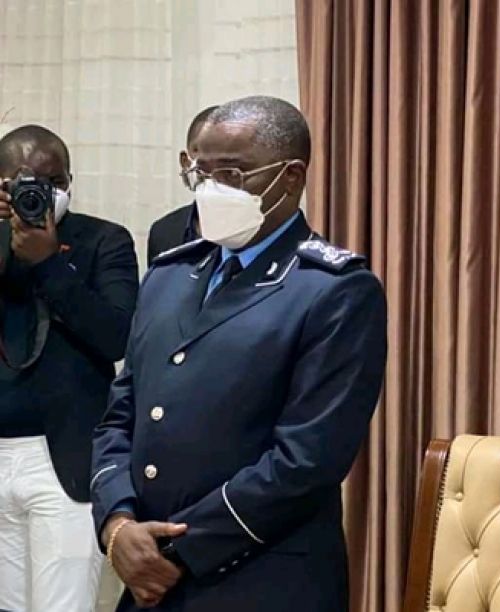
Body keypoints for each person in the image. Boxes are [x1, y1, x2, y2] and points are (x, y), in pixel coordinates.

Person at [91, 95, 387, 611]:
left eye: (230, 173)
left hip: (262, 579)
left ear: (290, 177)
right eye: (199, 172)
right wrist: (117, 524)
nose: (209, 189)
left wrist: (175, 550)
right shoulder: (167, 277)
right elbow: (121, 416)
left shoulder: (334, 289)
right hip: (147, 579)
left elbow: (305, 461)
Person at [0, 125, 139, 612]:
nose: (43, 193)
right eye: (25, 183)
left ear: (70, 182)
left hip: (65, 459)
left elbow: (117, 336)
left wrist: (49, 264)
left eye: (55, 182)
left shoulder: (104, 240)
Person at [146, 105, 218, 264]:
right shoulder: (164, 231)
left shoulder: (259, 228)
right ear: (185, 162)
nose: (217, 168)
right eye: (207, 153)